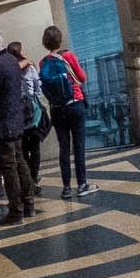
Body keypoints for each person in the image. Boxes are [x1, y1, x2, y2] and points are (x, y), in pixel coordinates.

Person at [0, 28, 36, 223]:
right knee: (20, 162)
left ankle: (16, 210)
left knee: (8, 167)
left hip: (3, 124)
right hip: (16, 121)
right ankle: (28, 204)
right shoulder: (11, 61)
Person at [40, 25, 96, 200]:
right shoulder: (68, 56)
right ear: (60, 39)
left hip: (56, 109)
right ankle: (82, 184)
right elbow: (82, 78)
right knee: (79, 145)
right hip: (74, 104)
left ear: (45, 43)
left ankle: (65, 187)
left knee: (64, 147)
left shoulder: (44, 62)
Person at [19, 50, 49, 185]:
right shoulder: (29, 68)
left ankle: (27, 180)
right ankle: (34, 177)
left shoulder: (11, 70)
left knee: (24, 149)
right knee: (35, 149)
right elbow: (38, 88)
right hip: (34, 114)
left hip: (20, 117)